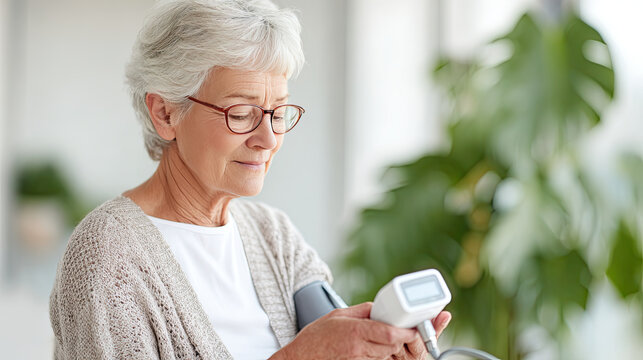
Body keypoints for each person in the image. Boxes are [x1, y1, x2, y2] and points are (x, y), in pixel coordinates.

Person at [49, 0, 451, 359]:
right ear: (166, 114)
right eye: (240, 114)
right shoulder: (108, 257)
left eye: (277, 113)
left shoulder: (272, 236)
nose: (268, 139)